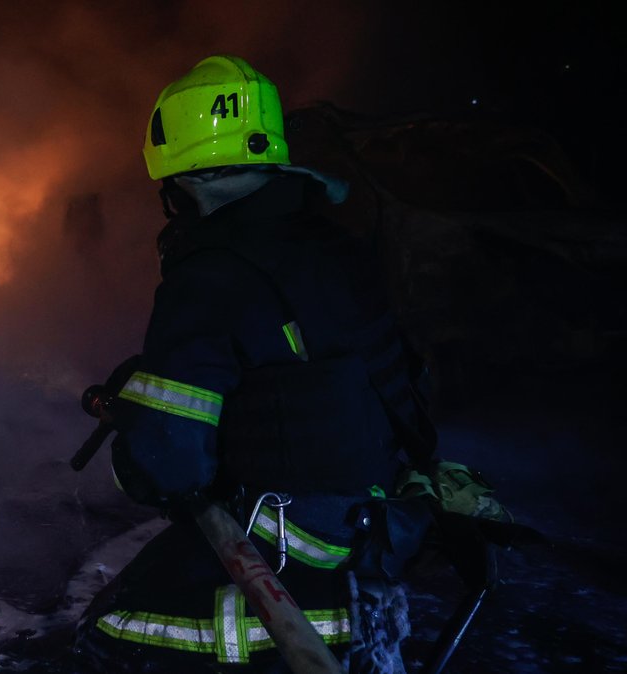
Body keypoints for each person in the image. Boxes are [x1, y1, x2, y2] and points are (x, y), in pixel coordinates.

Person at [73, 55, 442, 673]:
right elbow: (289, 373)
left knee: (115, 628)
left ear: (182, 183)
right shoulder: (334, 245)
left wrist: (131, 436)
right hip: (386, 515)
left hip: (304, 542)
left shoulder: (210, 276)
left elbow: (166, 465)